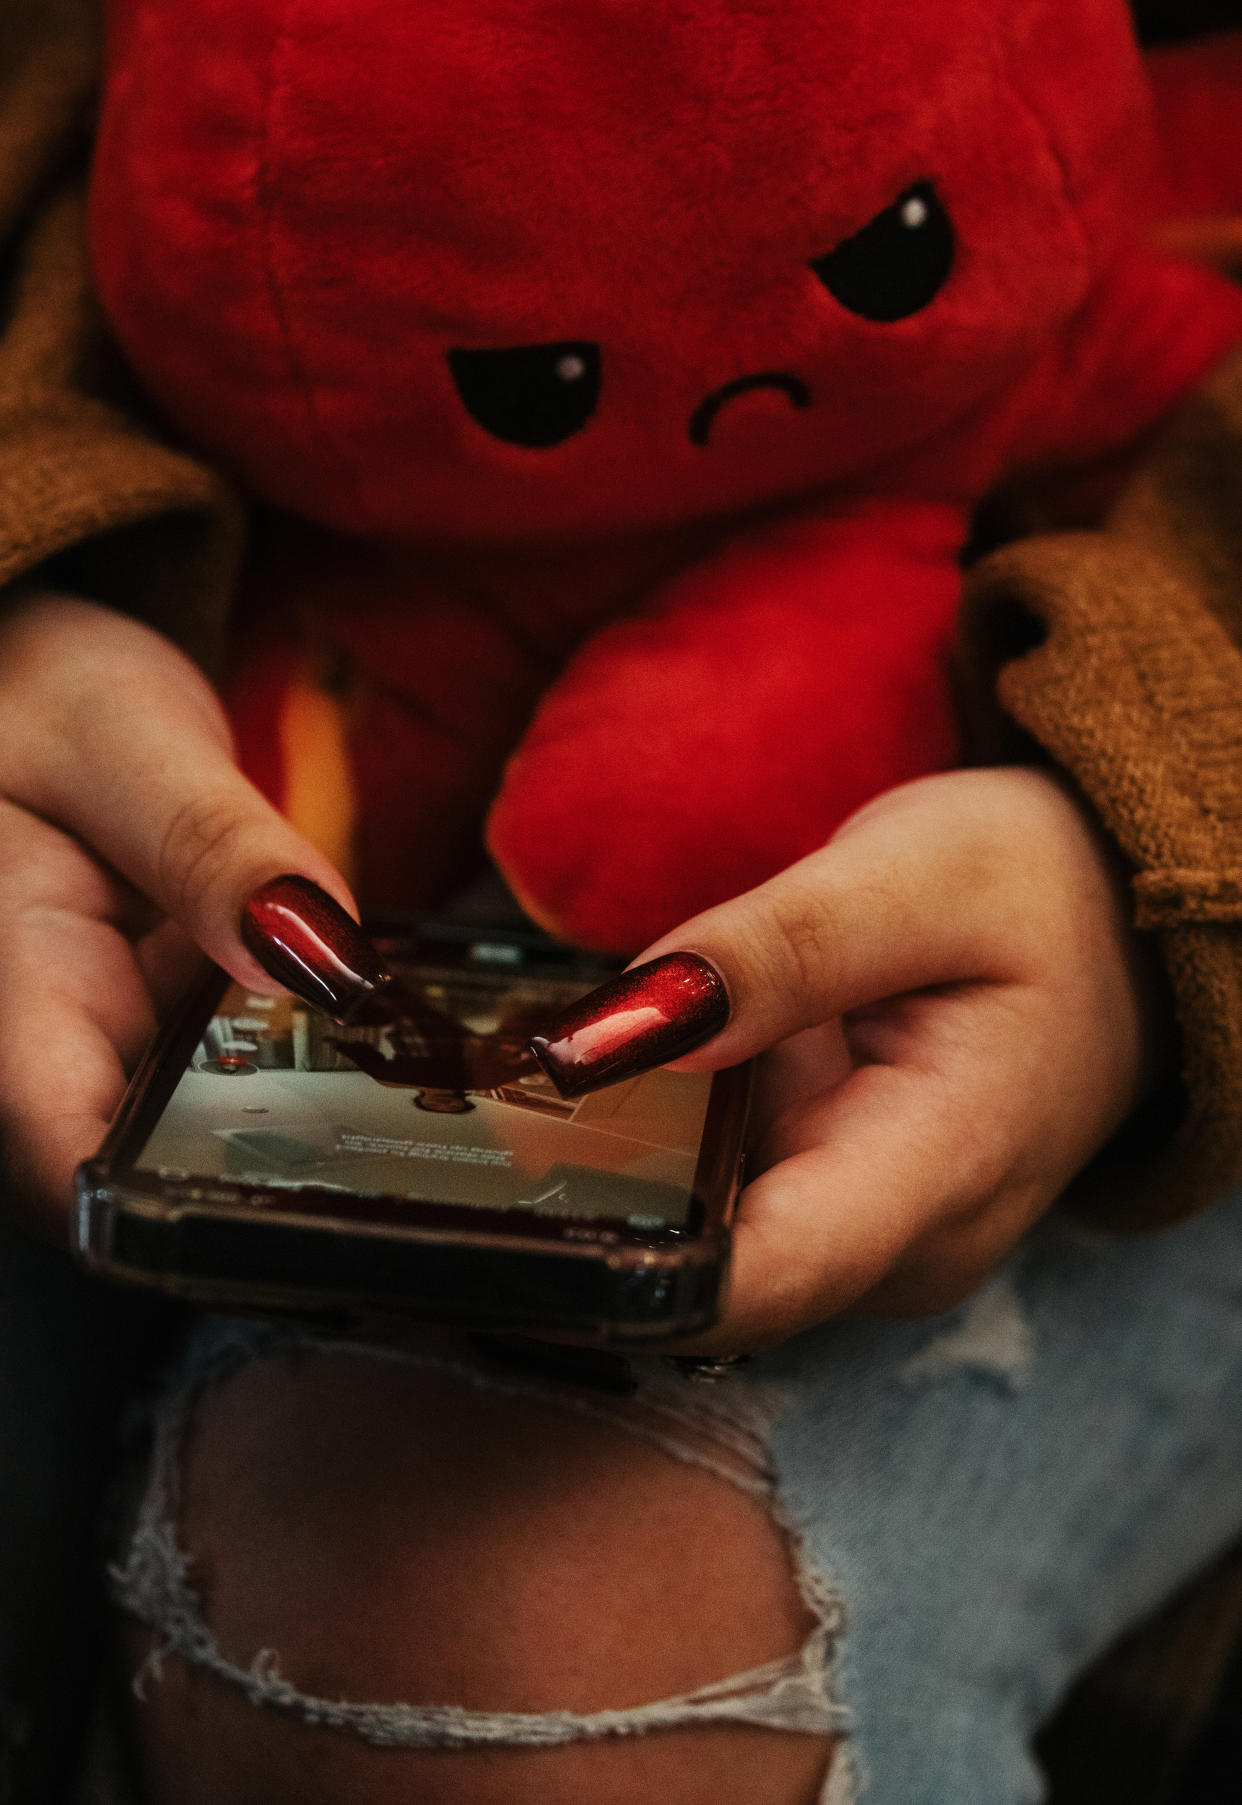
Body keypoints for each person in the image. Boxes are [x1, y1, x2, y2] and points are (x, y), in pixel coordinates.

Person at [2, 4, 1242, 1802]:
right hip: (178, 702)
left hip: (1104, 652)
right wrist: (41, 556)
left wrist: (1156, 849)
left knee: (494, 1639)